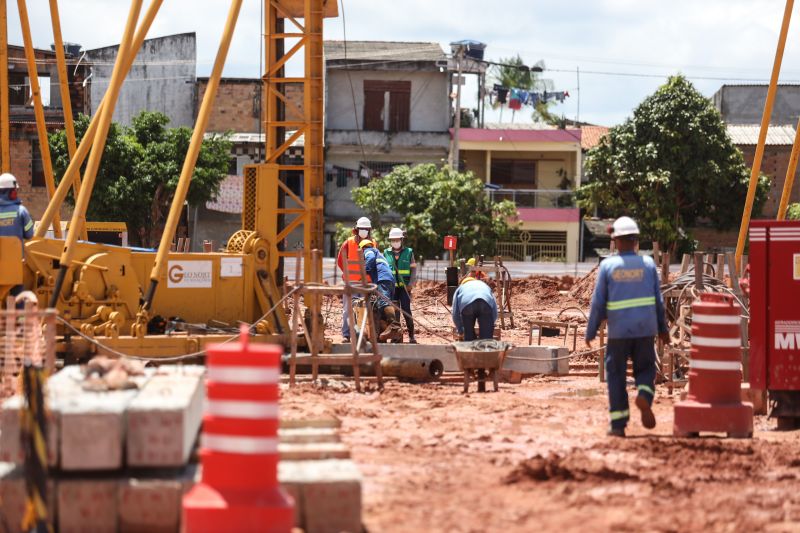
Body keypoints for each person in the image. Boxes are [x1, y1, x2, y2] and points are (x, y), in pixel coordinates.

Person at [585, 216, 669, 438]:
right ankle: (644, 394)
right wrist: (664, 329)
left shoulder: (608, 266)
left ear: (617, 241)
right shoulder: (648, 265)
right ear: (635, 241)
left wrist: (591, 331)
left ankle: (618, 425)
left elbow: (598, 303)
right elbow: (658, 301)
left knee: (616, 375)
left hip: (619, 332)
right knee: (646, 369)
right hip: (645, 330)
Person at [336, 217, 376, 342]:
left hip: (366, 283)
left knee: (364, 309)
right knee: (348, 309)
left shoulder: (373, 243)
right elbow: (340, 261)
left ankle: (361, 335)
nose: (364, 231)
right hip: (351, 282)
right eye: (361, 228)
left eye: (366, 229)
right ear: (356, 229)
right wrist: (348, 274)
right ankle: (346, 334)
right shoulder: (348, 243)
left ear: (369, 230)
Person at [0, 173, 33, 297]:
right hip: (14, 267)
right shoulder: (21, 211)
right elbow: (29, 234)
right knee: (18, 297)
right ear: (12, 193)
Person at [360, 239, 399, 341]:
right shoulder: (379, 254)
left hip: (382, 279)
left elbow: (370, 259)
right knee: (382, 307)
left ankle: (394, 326)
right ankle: (385, 335)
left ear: (362, 248)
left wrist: (364, 270)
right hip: (389, 280)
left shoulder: (368, 250)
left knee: (383, 302)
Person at [384, 227, 417, 343]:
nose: (395, 242)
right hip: (392, 288)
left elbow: (413, 270)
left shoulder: (409, 252)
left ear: (401, 240)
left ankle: (412, 336)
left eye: (397, 240)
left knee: (406, 310)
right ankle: (397, 336)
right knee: (394, 312)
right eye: (393, 240)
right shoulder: (386, 253)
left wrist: (411, 284)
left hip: (405, 287)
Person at [452, 276, 497, 341]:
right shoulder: (485, 286)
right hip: (485, 302)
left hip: (467, 304)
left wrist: (461, 331)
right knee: (486, 339)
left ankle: (470, 343)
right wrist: (489, 325)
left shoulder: (461, 288)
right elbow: (494, 310)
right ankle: (486, 344)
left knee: (469, 336)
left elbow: (455, 314)